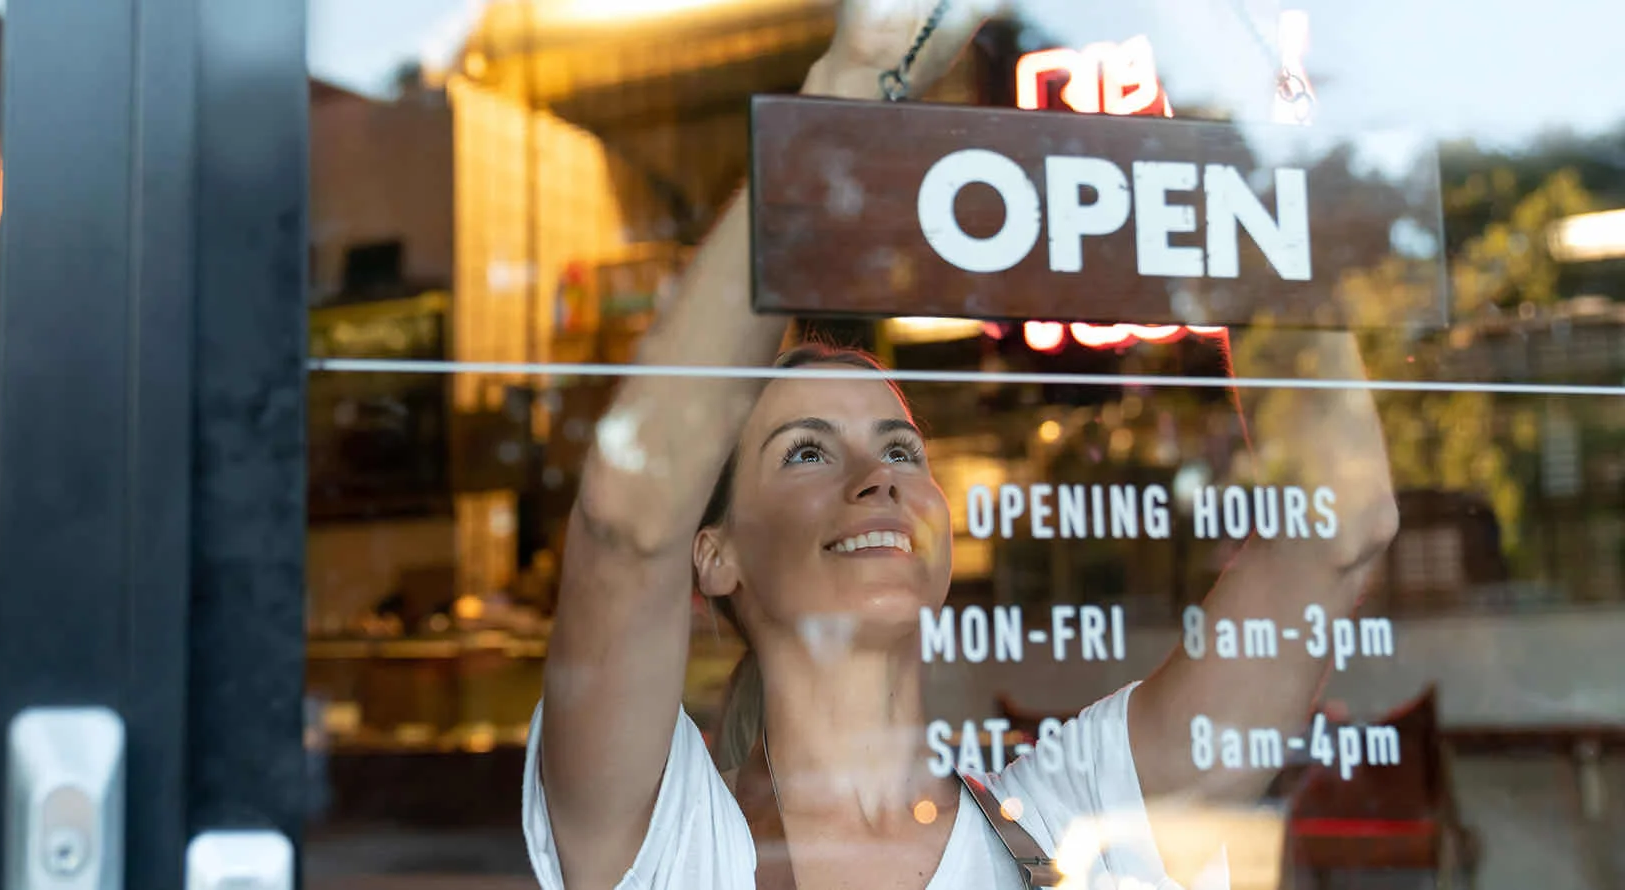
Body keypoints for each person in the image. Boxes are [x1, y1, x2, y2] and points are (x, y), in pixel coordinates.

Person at [521, 0, 1399, 886]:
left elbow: (1337, 529)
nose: (877, 480)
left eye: (901, 451)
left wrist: (1231, 157)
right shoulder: (675, 843)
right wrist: (840, 101)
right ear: (714, 555)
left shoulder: (1073, 819)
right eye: (807, 451)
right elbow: (628, 527)